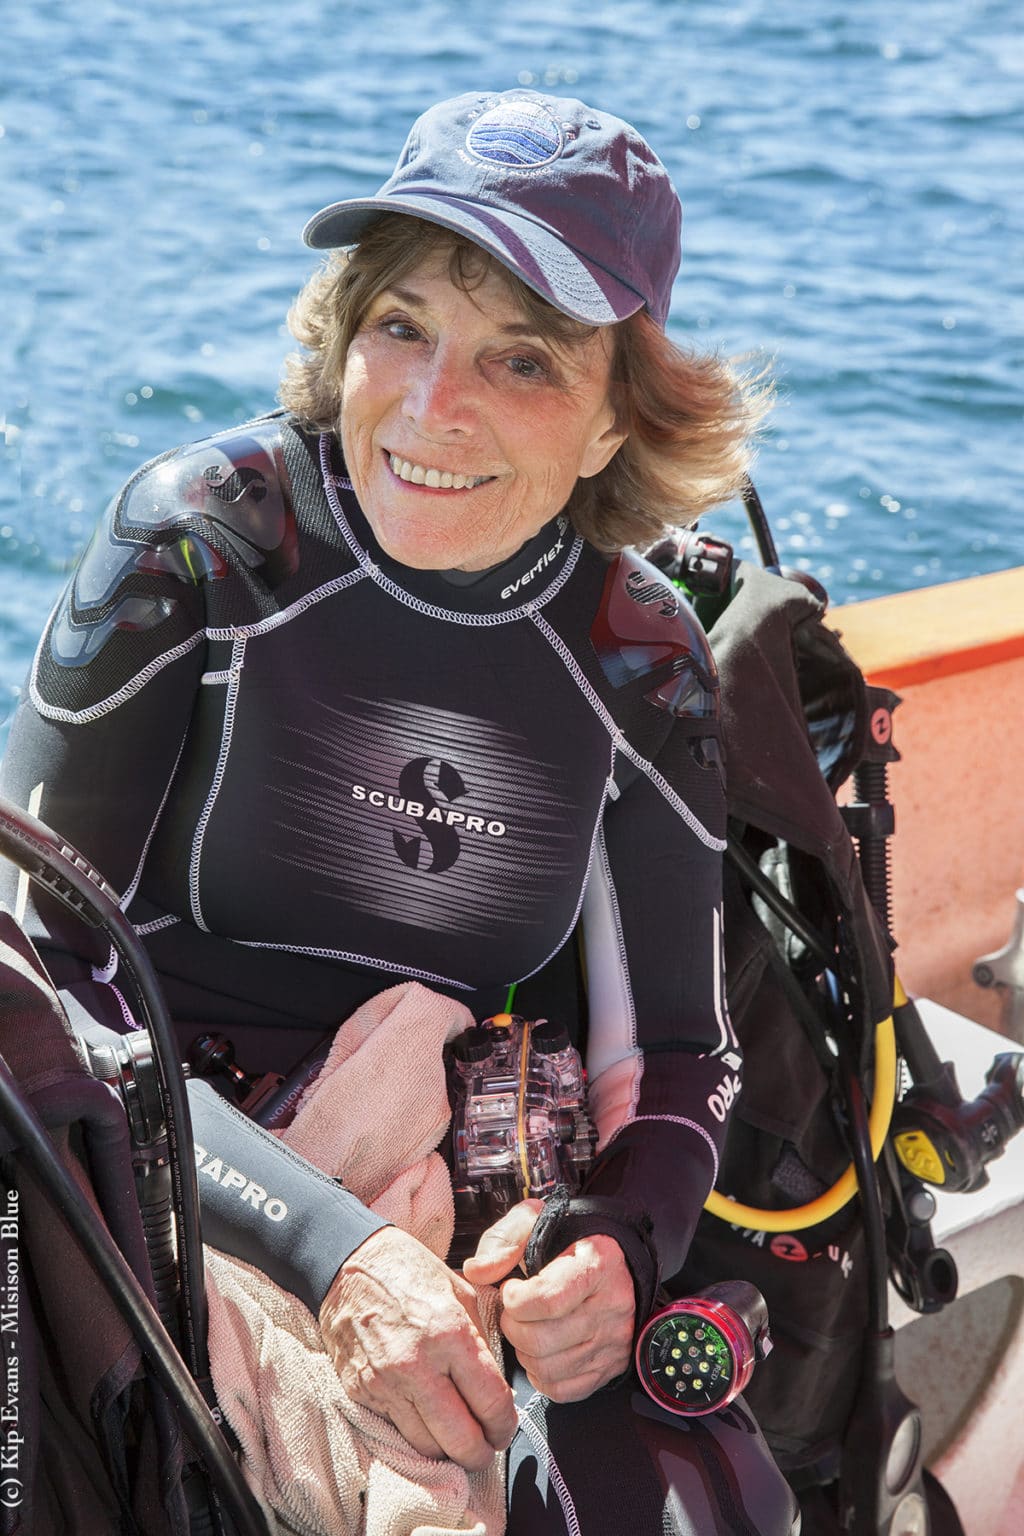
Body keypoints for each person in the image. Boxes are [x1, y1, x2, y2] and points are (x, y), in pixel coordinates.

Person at [0, 89, 796, 1532]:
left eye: (523, 360)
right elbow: (29, 998)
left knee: (709, 1503)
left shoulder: (637, 654)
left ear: (615, 420)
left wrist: (614, 1253)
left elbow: (680, 1054)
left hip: (477, 1197)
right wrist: (336, 1252)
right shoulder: (202, 546)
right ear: (344, 331)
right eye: (403, 326)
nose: (434, 407)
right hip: (158, 1155)